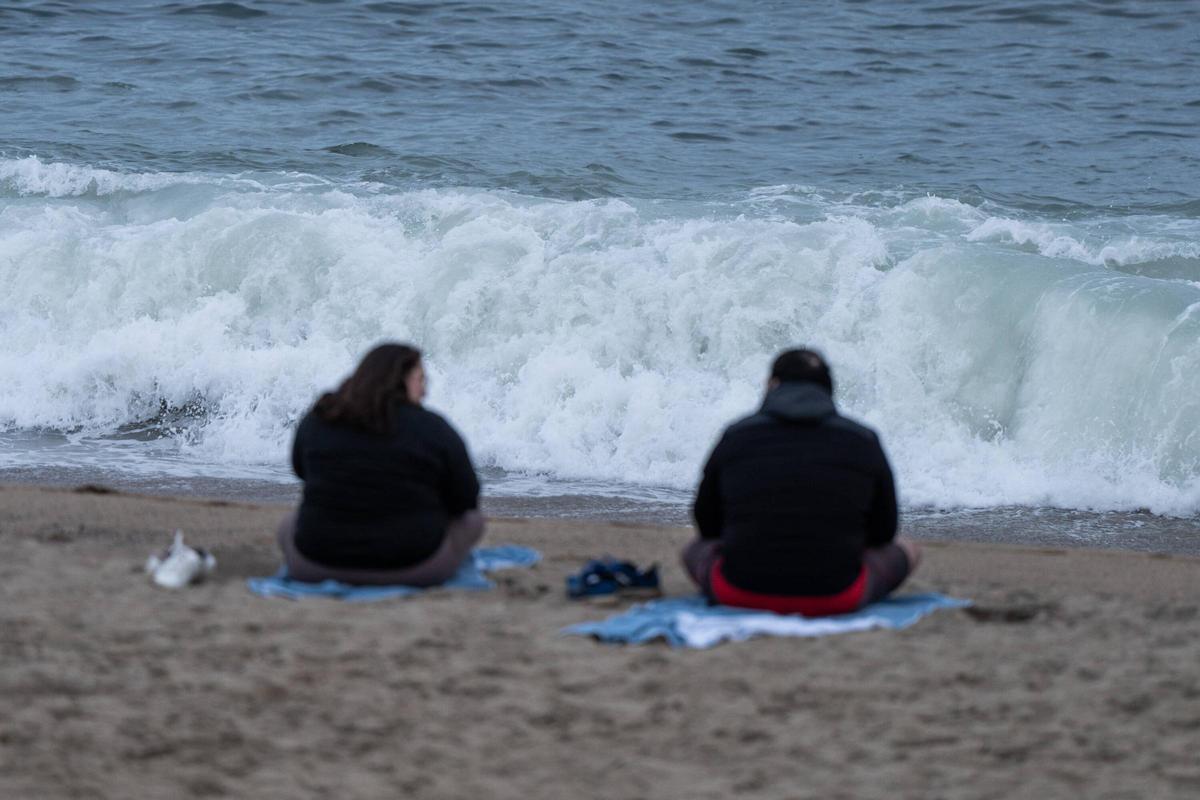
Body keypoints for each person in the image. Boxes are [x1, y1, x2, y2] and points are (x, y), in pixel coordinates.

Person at [683, 348, 920, 615]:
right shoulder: (863, 439)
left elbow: (707, 523)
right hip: (837, 594)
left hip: (739, 591)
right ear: (828, 390)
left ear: (772, 385)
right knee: (906, 548)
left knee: (693, 547)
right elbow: (884, 531)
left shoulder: (737, 435)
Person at [276, 342, 485, 586]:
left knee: (289, 524)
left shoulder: (320, 418)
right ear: (399, 380)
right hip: (413, 567)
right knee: (472, 520)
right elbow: (466, 498)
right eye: (420, 380)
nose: (424, 391)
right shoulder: (432, 427)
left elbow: (302, 471)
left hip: (315, 565)